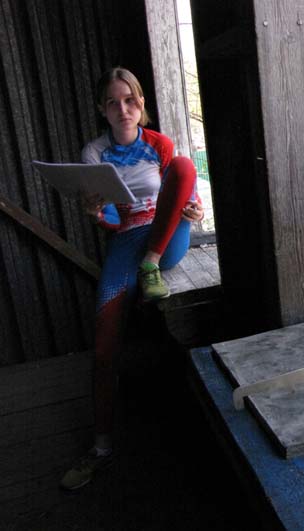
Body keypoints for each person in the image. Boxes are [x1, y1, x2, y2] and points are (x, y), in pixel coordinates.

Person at [60, 67, 204, 490]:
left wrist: (193, 210)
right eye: (113, 102)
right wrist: (94, 213)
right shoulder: (94, 152)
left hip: (165, 236)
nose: (123, 109)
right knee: (104, 345)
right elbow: (108, 219)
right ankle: (101, 448)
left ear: (141, 104)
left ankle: (152, 263)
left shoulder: (158, 143)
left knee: (181, 165)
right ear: (101, 109)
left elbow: (186, 193)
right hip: (126, 240)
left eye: (131, 100)